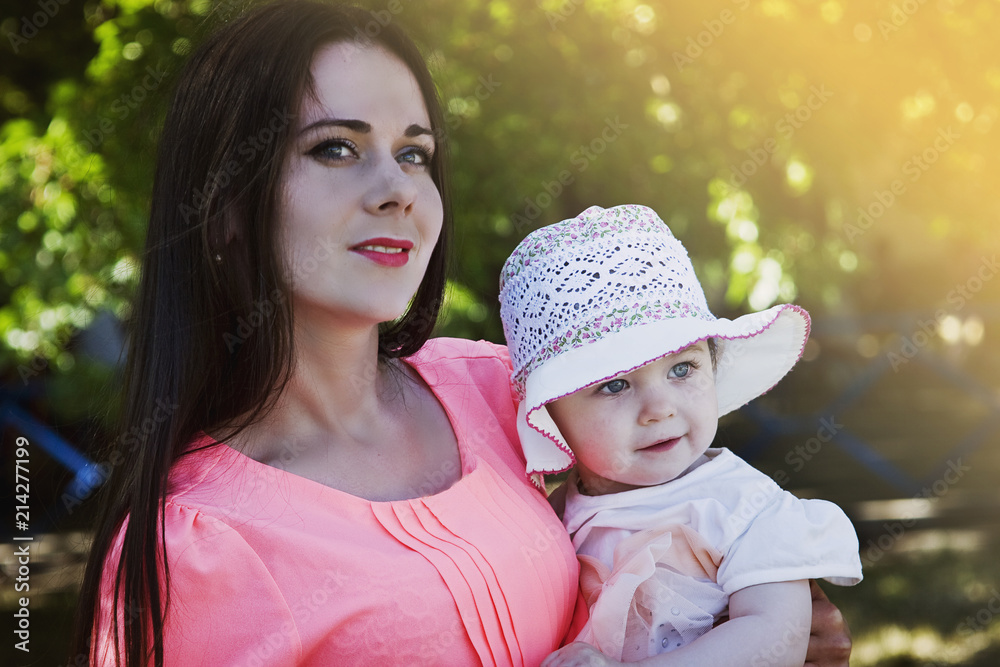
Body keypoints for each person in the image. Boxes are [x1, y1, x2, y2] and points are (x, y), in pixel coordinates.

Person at [69, 2, 855, 665]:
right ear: (226, 209)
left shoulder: (504, 391)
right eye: (336, 148)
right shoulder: (197, 547)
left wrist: (768, 621)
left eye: (414, 153)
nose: (397, 190)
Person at [497, 204, 863, 666]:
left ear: (712, 365)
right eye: (614, 385)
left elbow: (775, 637)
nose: (660, 408)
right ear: (551, 413)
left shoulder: (742, 506)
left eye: (682, 368)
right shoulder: (552, 517)